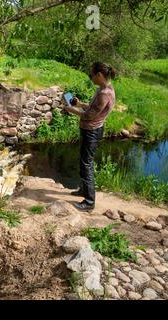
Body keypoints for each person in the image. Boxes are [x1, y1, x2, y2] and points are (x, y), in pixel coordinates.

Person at [63, 61, 116, 212]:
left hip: (91, 132)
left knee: (87, 164)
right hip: (91, 131)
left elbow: (88, 116)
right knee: (83, 161)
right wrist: (79, 103)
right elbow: (92, 108)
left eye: (91, 74)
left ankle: (89, 202)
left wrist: (70, 109)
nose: (90, 77)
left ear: (99, 75)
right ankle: (83, 190)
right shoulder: (104, 89)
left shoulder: (104, 94)